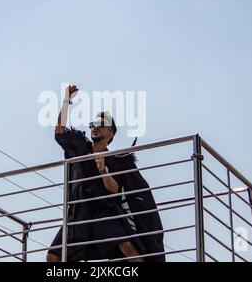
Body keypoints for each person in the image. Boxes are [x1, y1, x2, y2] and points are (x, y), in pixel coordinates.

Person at [46, 85, 165, 262]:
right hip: (79, 214)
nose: (95, 127)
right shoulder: (81, 149)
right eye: (93, 124)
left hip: (104, 212)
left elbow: (116, 190)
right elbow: (59, 132)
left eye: (101, 125)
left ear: (111, 133)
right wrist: (66, 100)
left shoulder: (116, 160)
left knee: (127, 248)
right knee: (53, 256)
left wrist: (103, 170)